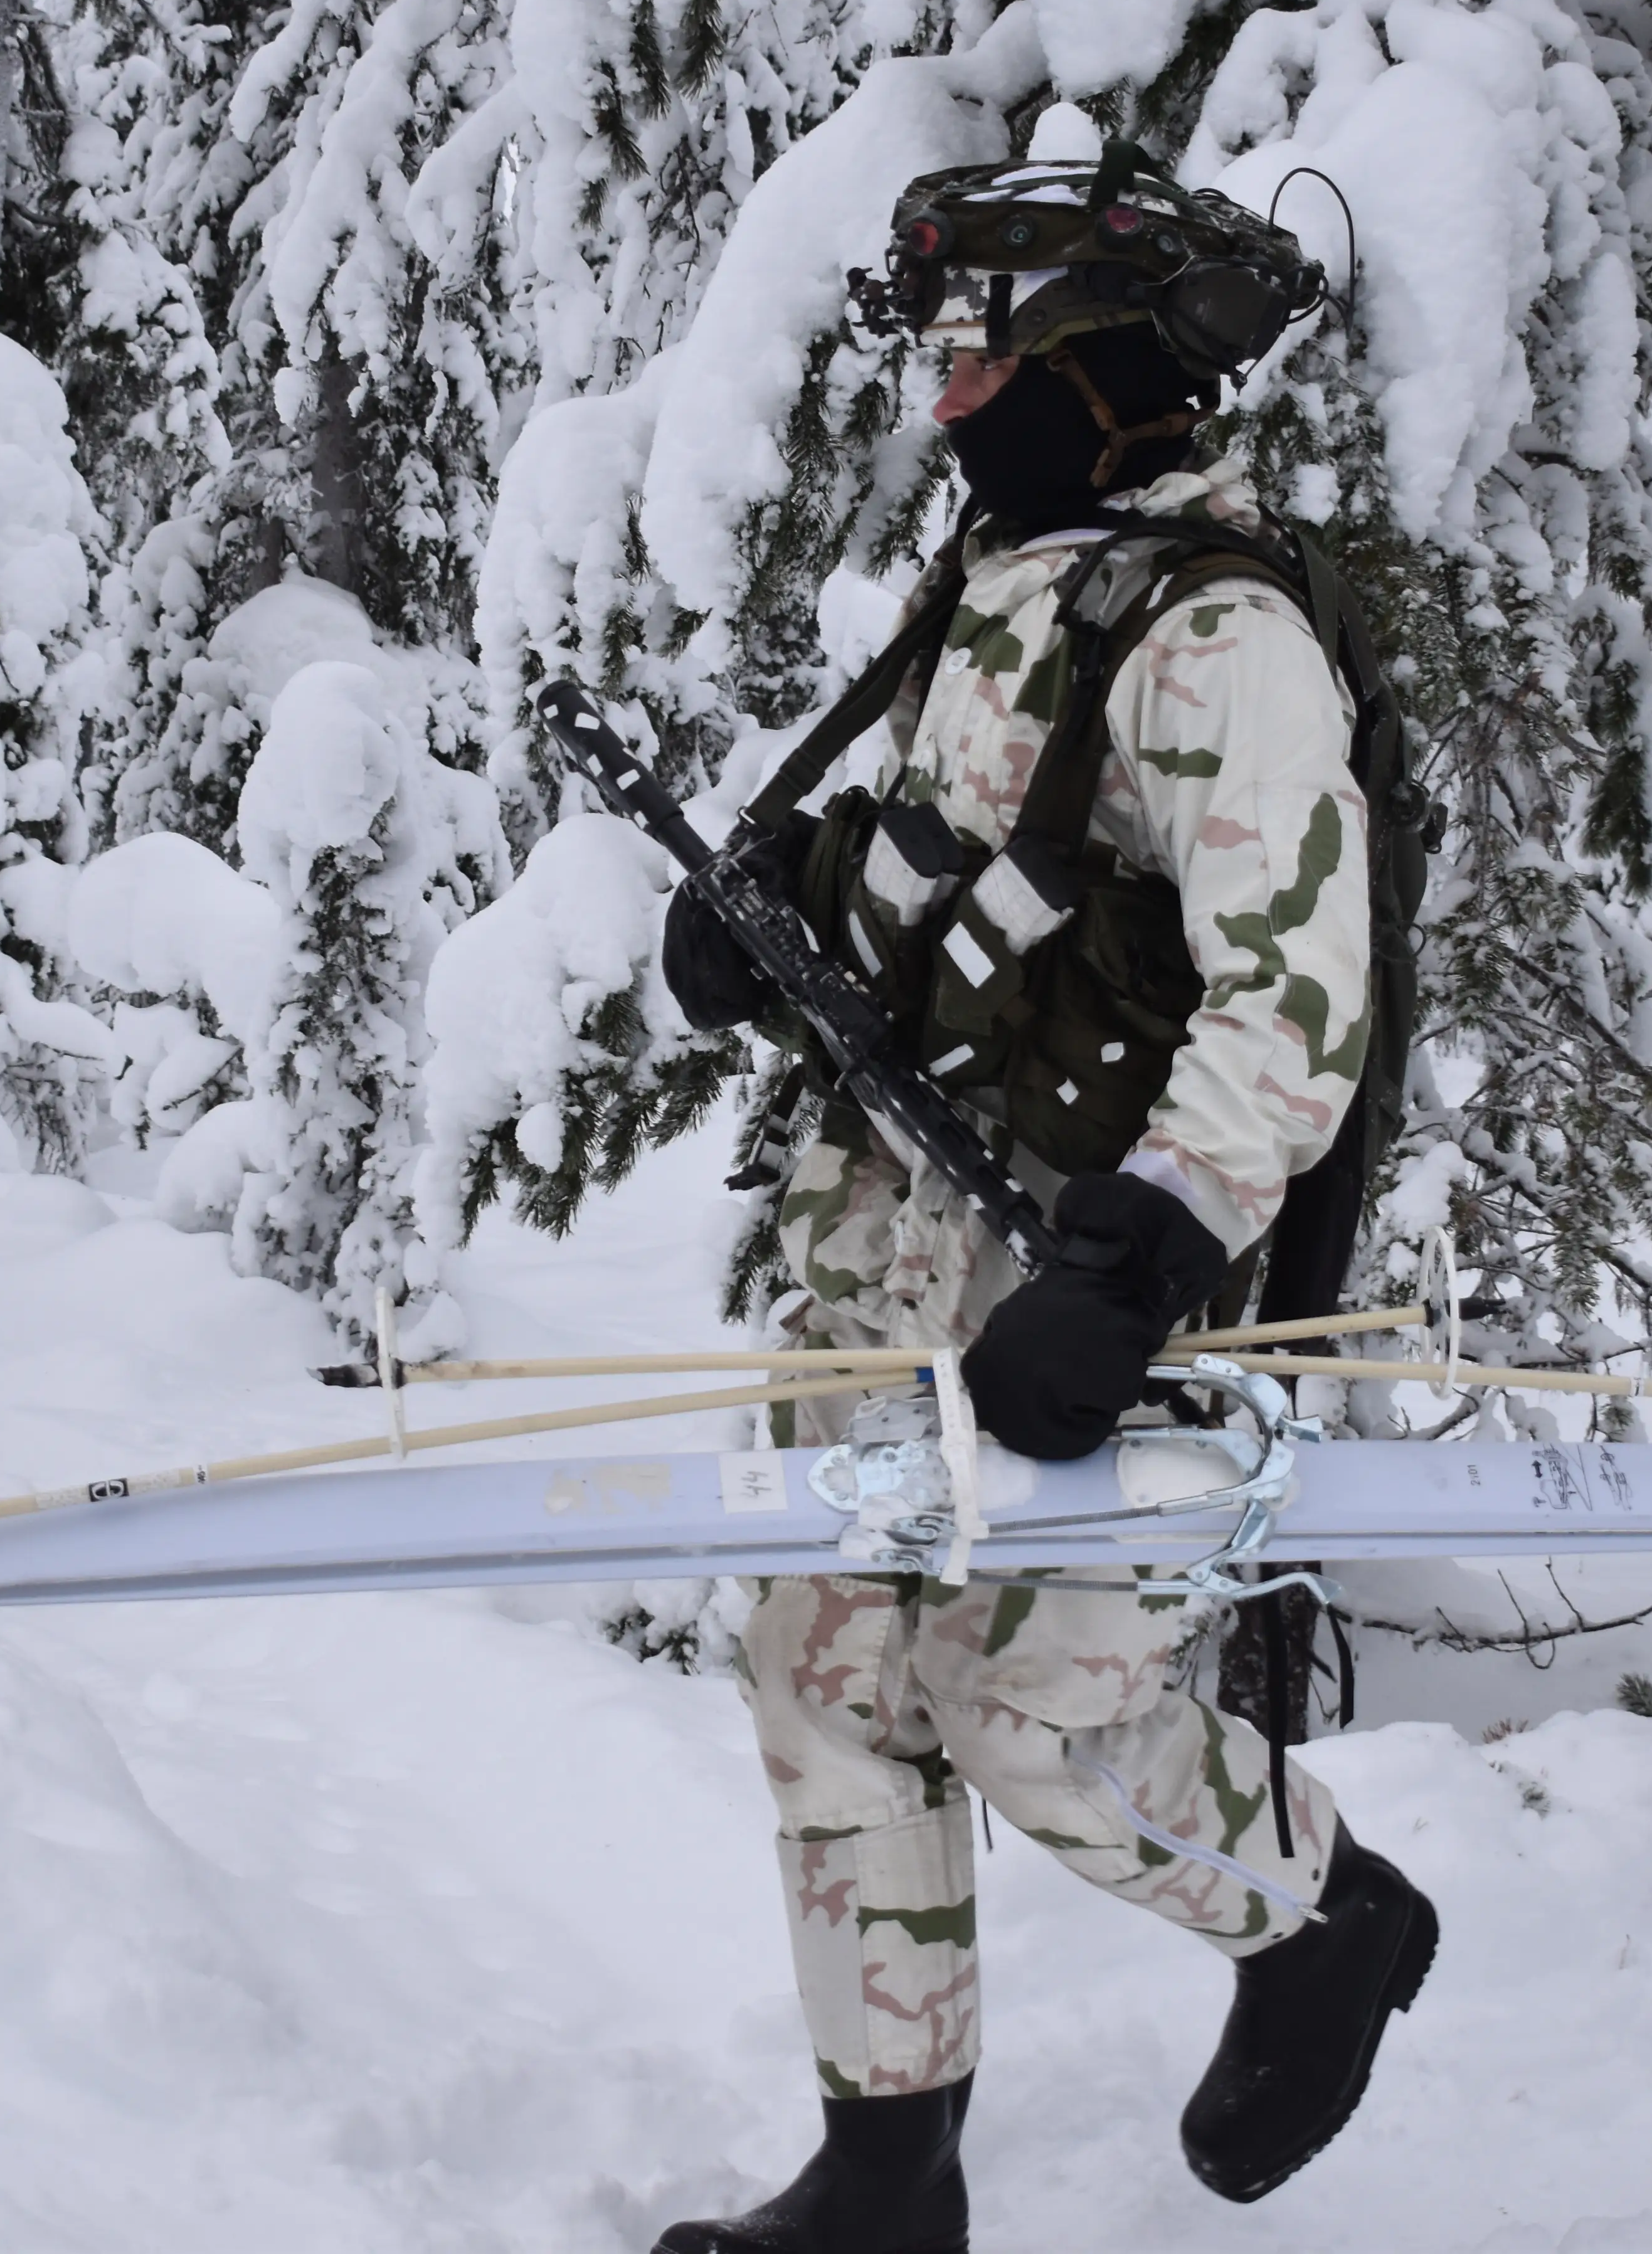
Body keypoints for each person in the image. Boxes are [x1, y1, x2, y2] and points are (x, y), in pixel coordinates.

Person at [648, 149, 1439, 2254]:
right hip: (887, 1247)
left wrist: (1150, 1254)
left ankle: (1323, 1918)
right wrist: (775, 915)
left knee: (1023, 1708)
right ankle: (888, 2176)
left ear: (1110, 374)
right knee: (828, 1669)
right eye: (936, 350)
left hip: (1081, 1280)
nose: (945, 396)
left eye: (981, 353)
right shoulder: (1010, 581)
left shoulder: (1224, 637)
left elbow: (1299, 991)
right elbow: (968, 882)